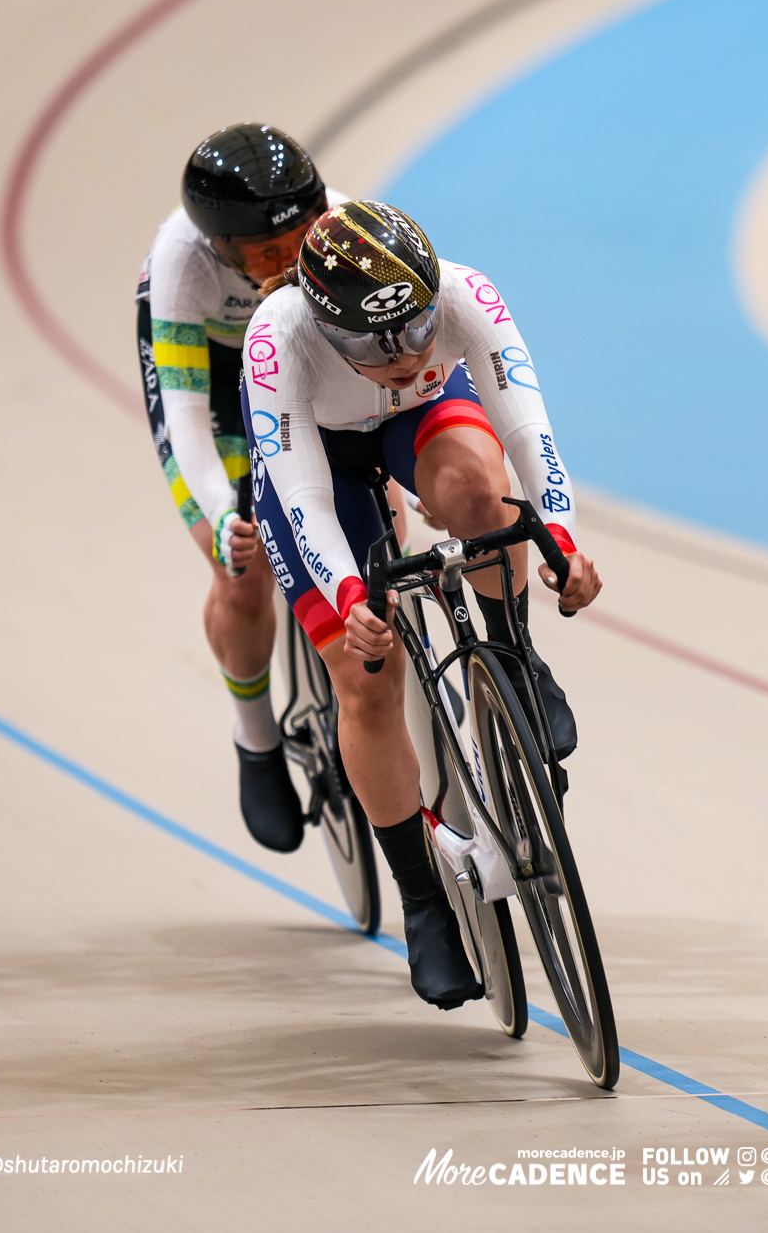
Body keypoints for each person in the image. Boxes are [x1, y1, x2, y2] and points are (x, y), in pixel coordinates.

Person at [247, 199, 599, 1009]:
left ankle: (513, 655)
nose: (406, 354)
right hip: (322, 462)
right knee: (365, 677)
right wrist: (349, 597)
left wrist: (564, 542)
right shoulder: (278, 338)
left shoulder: (467, 293)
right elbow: (304, 499)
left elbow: (531, 437)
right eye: (376, 345)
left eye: (417, 328)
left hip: (420, 423)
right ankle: (421, 900)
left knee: (480, 491)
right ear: (328, 329)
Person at [138, 123, 340, 854]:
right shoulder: (182, 262)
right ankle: (256, 738)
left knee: (376, 528)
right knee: (243, 568)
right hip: (216, 381)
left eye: (297, 244)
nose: (286, 266)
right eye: (264, 256)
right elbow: (187, 415)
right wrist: (224, 514)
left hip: (303, 357)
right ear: (220, 249)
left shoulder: (342, 228)